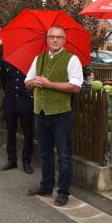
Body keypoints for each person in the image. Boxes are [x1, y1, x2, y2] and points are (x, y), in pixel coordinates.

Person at [24, 25, 83, 206]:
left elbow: (75, 86)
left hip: (61, 114)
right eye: (51, 37)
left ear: (64, 40)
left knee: (64, 154)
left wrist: (49, 84)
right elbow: (26, 82)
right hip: (40, 112)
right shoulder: (39, 58)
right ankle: (46, 185)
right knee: (45, 152)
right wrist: (33, 82)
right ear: (47, 39)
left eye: (58, 37)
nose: (55, 40)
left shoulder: (72, 59)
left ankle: (63, 192)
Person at [0, 58, 34, 174]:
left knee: (28, 133)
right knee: (10, 132)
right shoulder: (5, 60)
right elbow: (3, 80)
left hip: (26, 101)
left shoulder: (32, 60)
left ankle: (26, 161)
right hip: (10, 100)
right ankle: (11, 160)